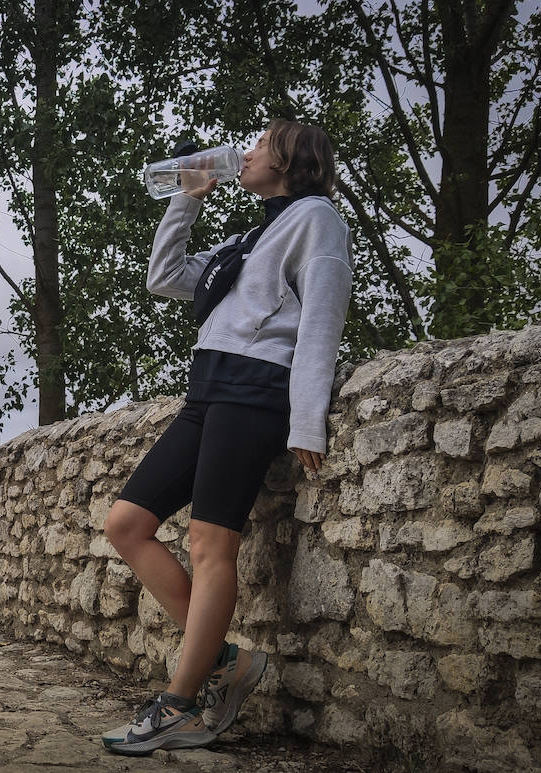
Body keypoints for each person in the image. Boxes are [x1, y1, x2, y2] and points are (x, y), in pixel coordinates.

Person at [100, 119, 353, 755]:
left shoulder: (317, 219)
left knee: (211, 545)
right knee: (126, 523)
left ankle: (181, 703)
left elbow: (322, 320)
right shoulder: (248, 239)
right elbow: (165, 277)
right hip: (207, 390)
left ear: (291, 160)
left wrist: (306, 420)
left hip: (256, 393)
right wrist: (187, 199)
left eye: (261, 143)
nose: (246, 151)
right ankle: (224, 662)